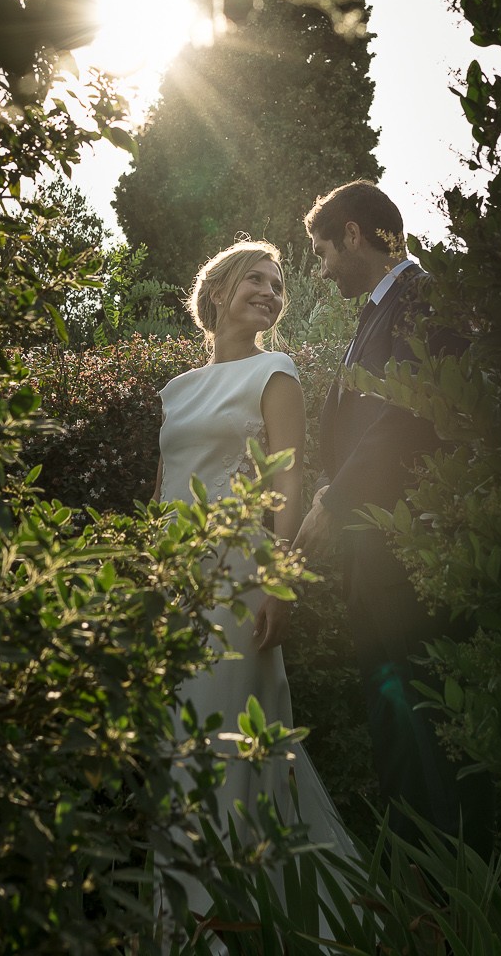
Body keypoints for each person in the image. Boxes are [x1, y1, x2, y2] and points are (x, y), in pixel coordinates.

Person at [154, 239, 355, 917]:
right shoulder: (177, 391)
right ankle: (189, 917)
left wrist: (279, 578)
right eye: (256, 280)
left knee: (235, 740)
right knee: (180, 741)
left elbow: (289, 477)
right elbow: (165, 487)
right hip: (179, 581)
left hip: (240, 580)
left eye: (277, 285)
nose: (270, 292)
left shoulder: (277, 372)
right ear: (217, 293)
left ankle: (250, 916)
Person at [291, 180, 493, 851]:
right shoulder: (380, 310)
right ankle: (427, 890)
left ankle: (469, 886)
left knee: (426, 713)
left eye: (322, 252)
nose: (320, 270)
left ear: (353, 233)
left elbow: (405, 420)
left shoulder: (421, 297)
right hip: (374, 557)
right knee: (394, 720)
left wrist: (335, 499)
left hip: (407, 550)